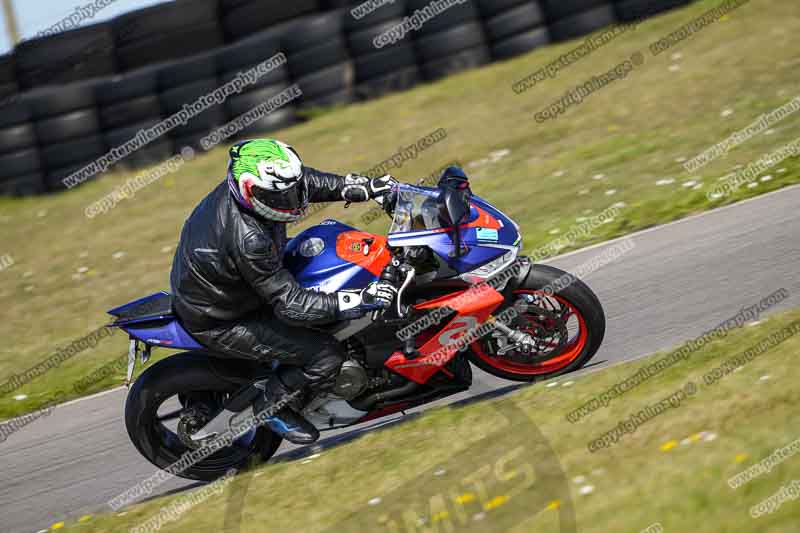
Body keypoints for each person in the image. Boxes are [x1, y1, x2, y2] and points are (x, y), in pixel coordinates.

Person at [170, 139, 398, 445]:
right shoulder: (249, 238)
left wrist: (361, 187)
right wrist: (361, 299)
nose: (291, 200)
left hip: (233, 286)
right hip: (224, 318)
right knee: (325, 354)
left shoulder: (252, 192)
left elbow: (304, 182)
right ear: (250, 191)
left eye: (291, 190)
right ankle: (272, 404)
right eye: (279, 196)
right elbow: (291, 305)